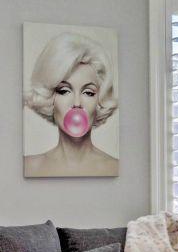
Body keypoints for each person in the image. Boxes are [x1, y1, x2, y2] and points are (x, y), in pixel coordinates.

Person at [23, 31, 118, 177]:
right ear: (50, 98)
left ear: (100, 101)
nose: (77, 103)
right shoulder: (28, 166)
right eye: (64, 91)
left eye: (88, 92)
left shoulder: (115, 167)